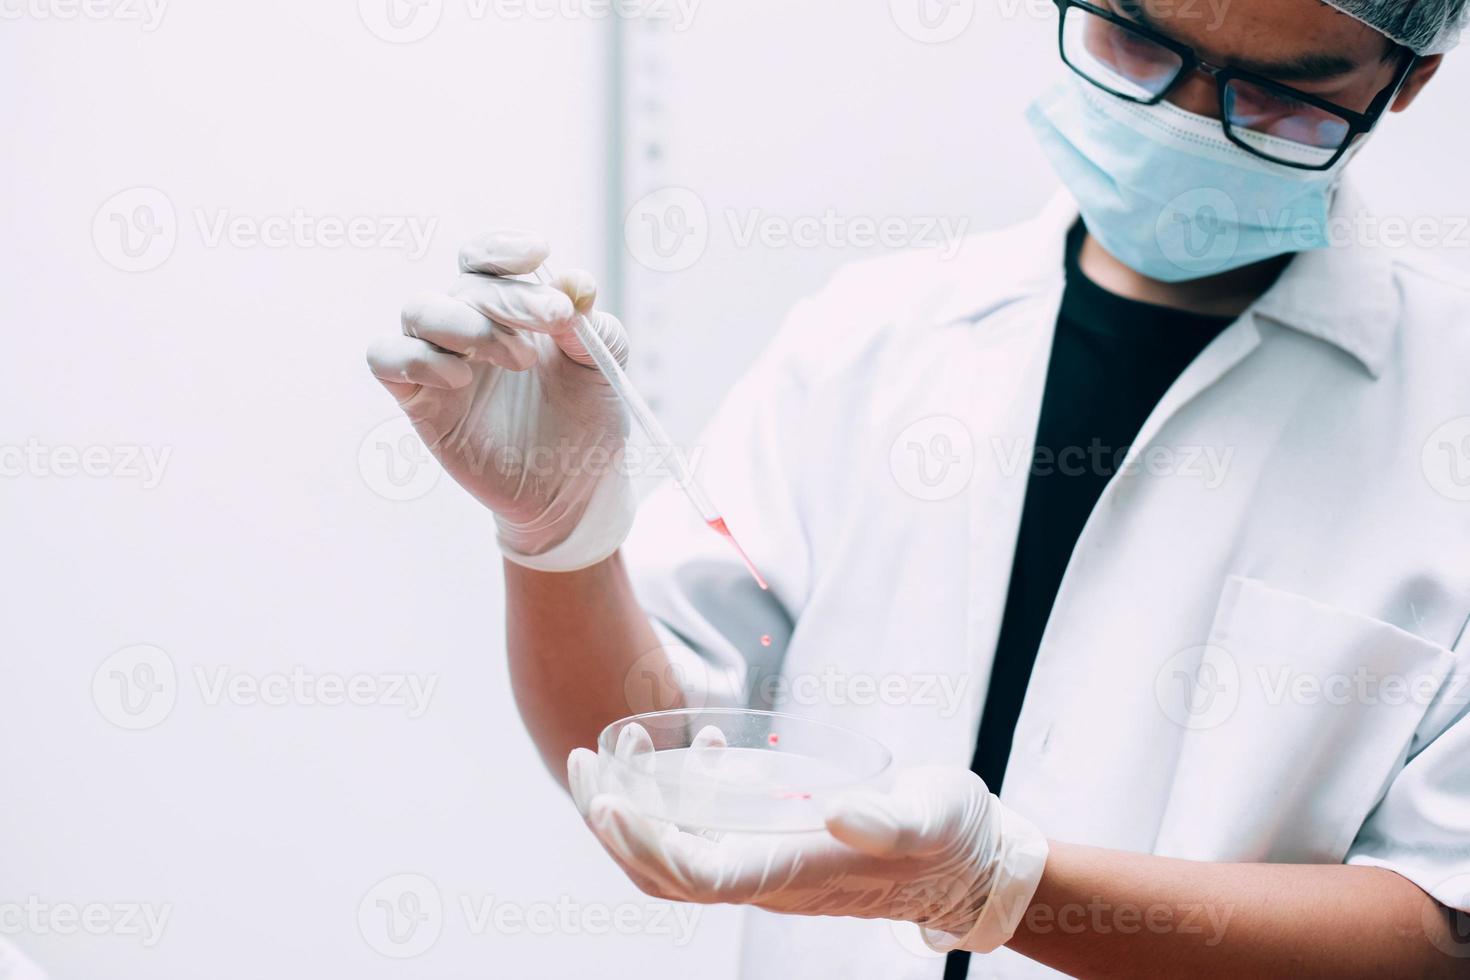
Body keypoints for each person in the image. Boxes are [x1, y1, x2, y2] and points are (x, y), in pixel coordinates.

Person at [366, 0, 1470, 975]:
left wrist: (995, 885)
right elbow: (642, 748)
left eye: (1275, 94)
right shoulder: (874, 338)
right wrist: (557, 538)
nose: (1180, 115)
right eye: (1136, 39)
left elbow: (1437, 928)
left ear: (1406, 77)